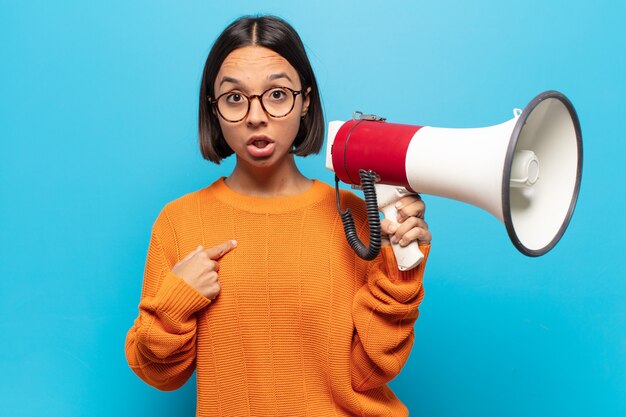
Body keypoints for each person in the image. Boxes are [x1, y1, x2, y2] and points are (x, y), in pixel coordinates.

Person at [125, 15, 432, 417]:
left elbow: (368, 372)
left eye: (277, 94)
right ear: (213, 108)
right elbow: (159, 374)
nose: (256, 116)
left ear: (305, 100)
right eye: (235, 98)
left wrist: (402, 270)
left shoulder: (358, 219)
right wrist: (176, 302)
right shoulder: (179, 221)